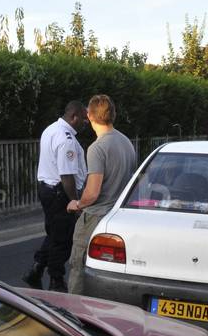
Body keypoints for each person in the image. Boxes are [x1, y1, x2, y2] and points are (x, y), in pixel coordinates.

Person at [66, 94, 137, 294]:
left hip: (95, 217)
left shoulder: (97, 148)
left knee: (78, 267)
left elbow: (92, 192)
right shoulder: (126, 142)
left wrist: (77, 204)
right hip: (119, 216)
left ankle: (74, 315)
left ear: (89, 116)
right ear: (113, 115)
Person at [22, 101, 89, 292]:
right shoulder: (66, 138)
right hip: (60, 192)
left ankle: (36, 270)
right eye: (83, 119)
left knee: (54, 233)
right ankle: (56, 280)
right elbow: (66, 175)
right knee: (63, 238)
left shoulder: (51, 129)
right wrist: (74, 201)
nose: (85, 123)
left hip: (48, 190)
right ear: (74, 116)